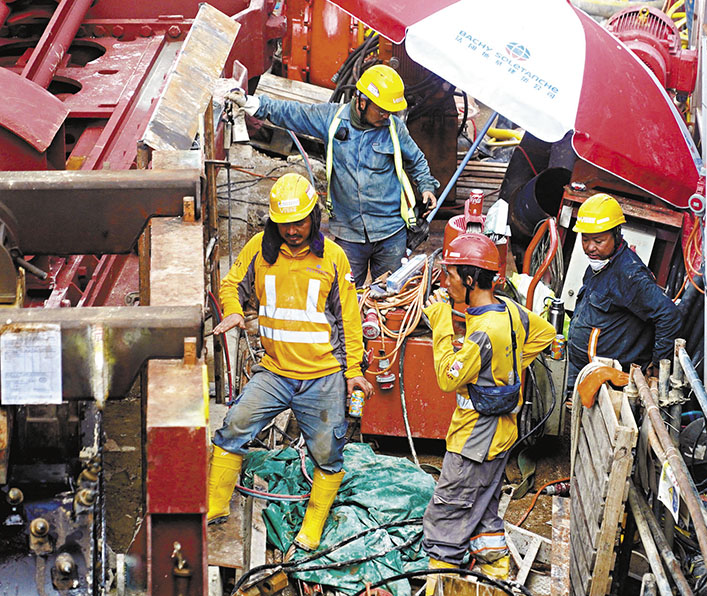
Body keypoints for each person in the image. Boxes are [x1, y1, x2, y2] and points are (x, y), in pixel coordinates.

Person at [207, 173, 373, 552]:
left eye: (299, 222)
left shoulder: (333, 258)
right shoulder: (259, 250)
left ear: (314, 217)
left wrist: (352, 372)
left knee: (328, 453)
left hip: (322, 377)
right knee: (234, 427)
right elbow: (231, 284)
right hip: (275, 371)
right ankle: (215, 507)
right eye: (284, 224)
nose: (292, 231)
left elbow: (349, 319)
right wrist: (233, 310)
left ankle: (313, 525)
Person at [421, 233, 555, 592]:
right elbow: (545, 334)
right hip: (502, 435)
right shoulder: (509, 310)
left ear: (469, 280)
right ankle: (495, 568)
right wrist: (506, 371)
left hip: (474, 441)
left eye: (450, 275)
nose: (444, 282)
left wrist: (441, 324)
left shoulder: (483, 333)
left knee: (448, 511)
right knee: (484, 506)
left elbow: (448, 378)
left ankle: (440, 582)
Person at [225, 64, 439, 287]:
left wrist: (427, 187)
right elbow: (293, 112)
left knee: (391, 296)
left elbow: (417, 161)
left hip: (390, 232)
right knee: (344, 294)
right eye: (382, 110)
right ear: (362, 101)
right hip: (349, 233)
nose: (386, 116)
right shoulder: (332, 119)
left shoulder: (394, 128)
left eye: (390, 112)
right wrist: (252, 104)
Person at [566, 193, 683, 387]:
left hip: (608, 379)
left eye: (598, 241)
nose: (589, 248)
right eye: (585, 239)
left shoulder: (629, 275)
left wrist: (657, 365)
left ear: (616, 234)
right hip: (583, 369)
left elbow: (669, 315)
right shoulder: (599, 263)